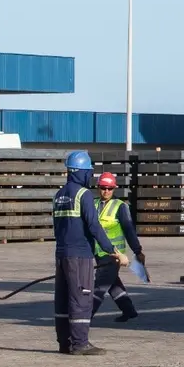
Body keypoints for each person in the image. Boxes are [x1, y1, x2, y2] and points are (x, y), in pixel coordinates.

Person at [52, 150, 118, 356]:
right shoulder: (84, 194)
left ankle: (65, 343)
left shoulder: (59, 195)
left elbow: (56, 227)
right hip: (80, 255)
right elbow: (94, 225)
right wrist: (111, 250)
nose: (90, 176)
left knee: (63, 298)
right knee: (81, 298)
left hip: (62, 254)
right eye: (89, 172)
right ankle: (80, 343)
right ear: (82, 172)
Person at [92, 172, 144, 323]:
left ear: (114, 188)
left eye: (110, 188)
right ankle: (129, 310)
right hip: (98, 253)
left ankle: (84, 317)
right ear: (98, 187)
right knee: (113, 283)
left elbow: (129, 230)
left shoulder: (120, 207)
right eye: (103, 188)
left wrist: (138, 251)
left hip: (114, 255)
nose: (106, 191)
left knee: (99, 287)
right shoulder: (92, 204)